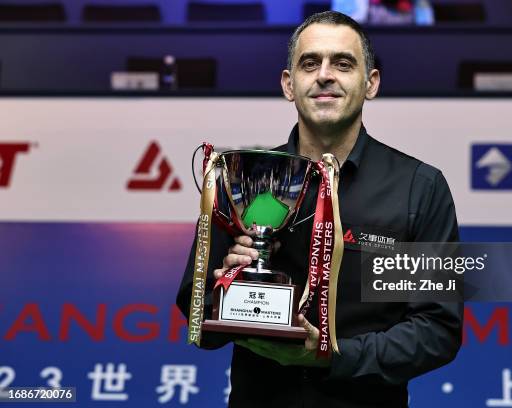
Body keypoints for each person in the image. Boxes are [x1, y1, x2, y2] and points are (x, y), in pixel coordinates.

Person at [176, 11, 462, 408]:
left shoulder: (417, 187)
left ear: (371, 83)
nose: (325, 75)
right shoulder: (245, 177)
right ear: (288, 85)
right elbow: (198, 320)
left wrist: (331, 354)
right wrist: (230, 284)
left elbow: (436, 330)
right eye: (310, 63)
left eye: (343, 64)